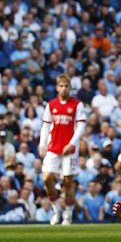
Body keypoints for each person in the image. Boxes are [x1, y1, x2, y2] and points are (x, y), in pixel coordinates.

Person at [38, 74, 87, 225]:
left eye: (66, 86)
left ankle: (68, 214)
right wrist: (42, 143)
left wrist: (72, 143)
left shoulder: (77, 104)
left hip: (70, 149)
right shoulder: (51, 104)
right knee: (46, 178)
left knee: (68, 181)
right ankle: (57, 209)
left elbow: (81, 126)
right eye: (61, 86)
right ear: (57, 87)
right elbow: (46, 125)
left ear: (70, 87)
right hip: (53, 146)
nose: (64, 88)